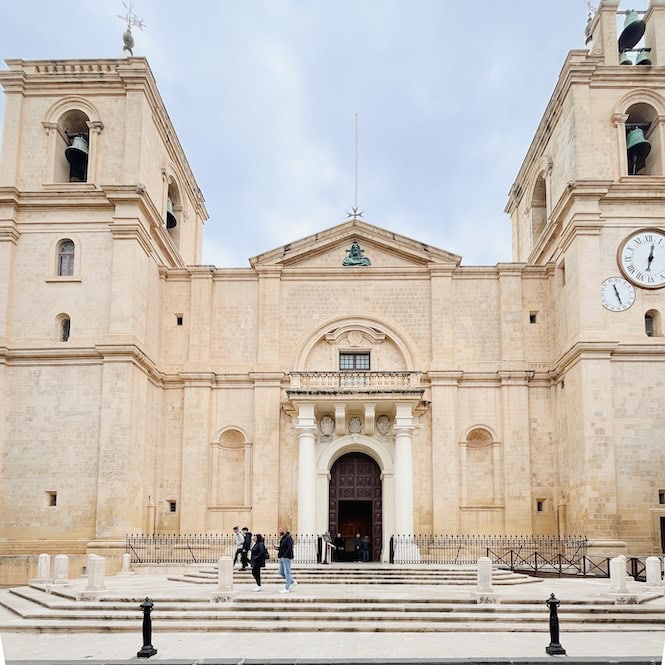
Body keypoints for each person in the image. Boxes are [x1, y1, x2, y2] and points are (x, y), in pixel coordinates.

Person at [276, 525, 297, 593]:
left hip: (286, 557)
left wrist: (285, 556)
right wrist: (277, 548)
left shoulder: (288, 538)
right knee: (281, 572)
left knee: (287, 572)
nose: (279, 531)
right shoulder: (283, 538)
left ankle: (287, 588)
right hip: (282, 557)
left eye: (280, 530)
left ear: (284, 530)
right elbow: (283, 547)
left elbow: (289, 548)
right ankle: (293, 582)